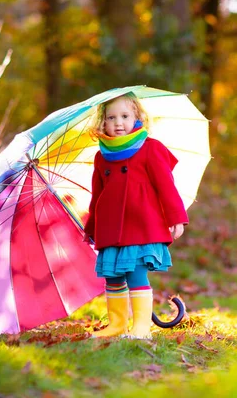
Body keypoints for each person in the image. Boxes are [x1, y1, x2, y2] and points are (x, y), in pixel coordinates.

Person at [84, 92, 188, 339]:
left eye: (124, 116)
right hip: (111, 227)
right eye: (111, 117)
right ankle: (117, 324)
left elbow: (166, 186)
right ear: (103, 122)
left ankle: (141, 327)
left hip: (140, 226)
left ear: (137, 117)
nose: (118, 123)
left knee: (136, 273)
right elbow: (97, 195)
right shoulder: (102, 156)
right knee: (114, 277)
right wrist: (92, 227)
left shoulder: (150, 149)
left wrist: (176, 217)